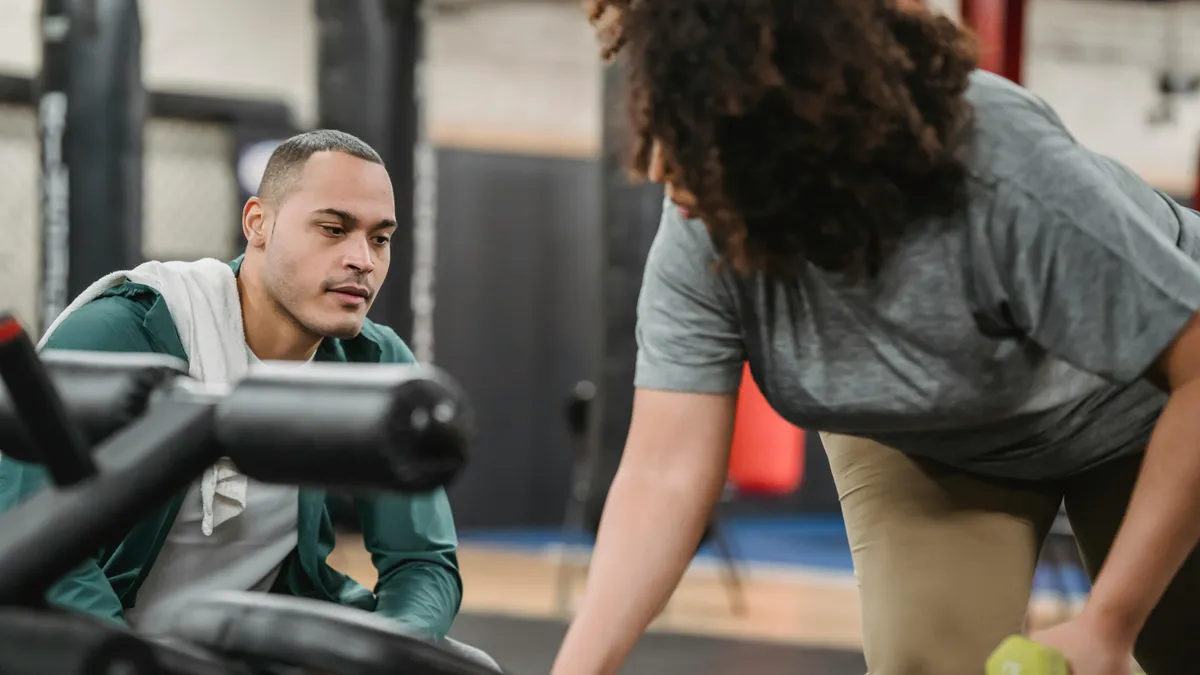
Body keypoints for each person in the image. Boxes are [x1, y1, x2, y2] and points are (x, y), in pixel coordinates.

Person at [550, 2, 1200, 675]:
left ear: (781, 111)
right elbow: (665, 471)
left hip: (1141, 410)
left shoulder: (997, 166)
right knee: (930, 664)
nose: (658, 165)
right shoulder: (706, 220)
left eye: (691, 123)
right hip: (934, 435)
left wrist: (1109, 622)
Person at [0, 130, 496, 670]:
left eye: (380, 239)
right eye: (333, 229)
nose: (363, 260)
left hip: (242, 643)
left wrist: (381, 656)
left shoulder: (375, 361)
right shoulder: (122, 332)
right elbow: (34, 547)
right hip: (106, 641)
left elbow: (422, 561)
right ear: (258, 223)